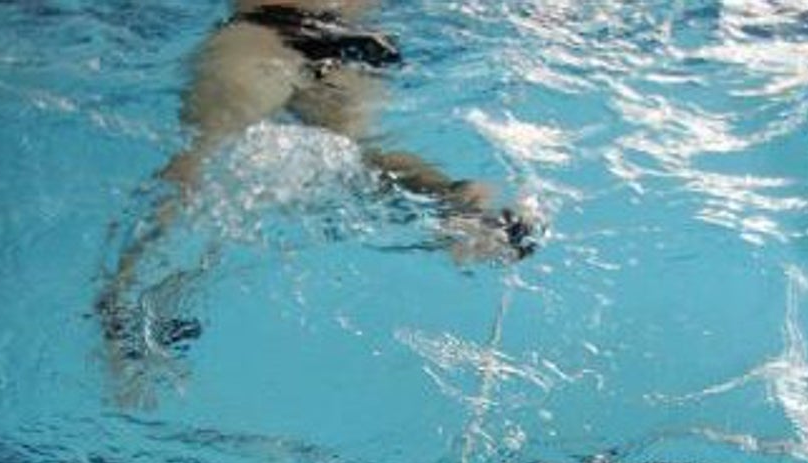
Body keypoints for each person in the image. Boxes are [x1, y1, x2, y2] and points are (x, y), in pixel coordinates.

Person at [97, 0, 536, 399]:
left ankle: (121, 307)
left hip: (266, 30)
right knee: (357, 153)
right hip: (351, 37)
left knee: (204, 152)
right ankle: (459, 203)